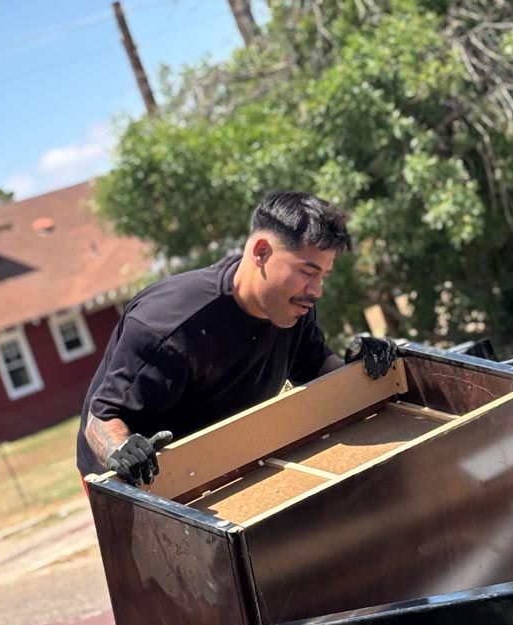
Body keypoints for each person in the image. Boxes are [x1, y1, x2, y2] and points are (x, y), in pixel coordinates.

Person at [76, 190, 398, 485]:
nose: (317, 291)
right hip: (132, 480)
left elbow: (315, 367)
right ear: (261, 252)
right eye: (307, 272)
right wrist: (121, 451)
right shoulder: (168, 326)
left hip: (221, 461)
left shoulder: (291, 307)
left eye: (323, 276)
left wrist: (359, 366)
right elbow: (101, 420)